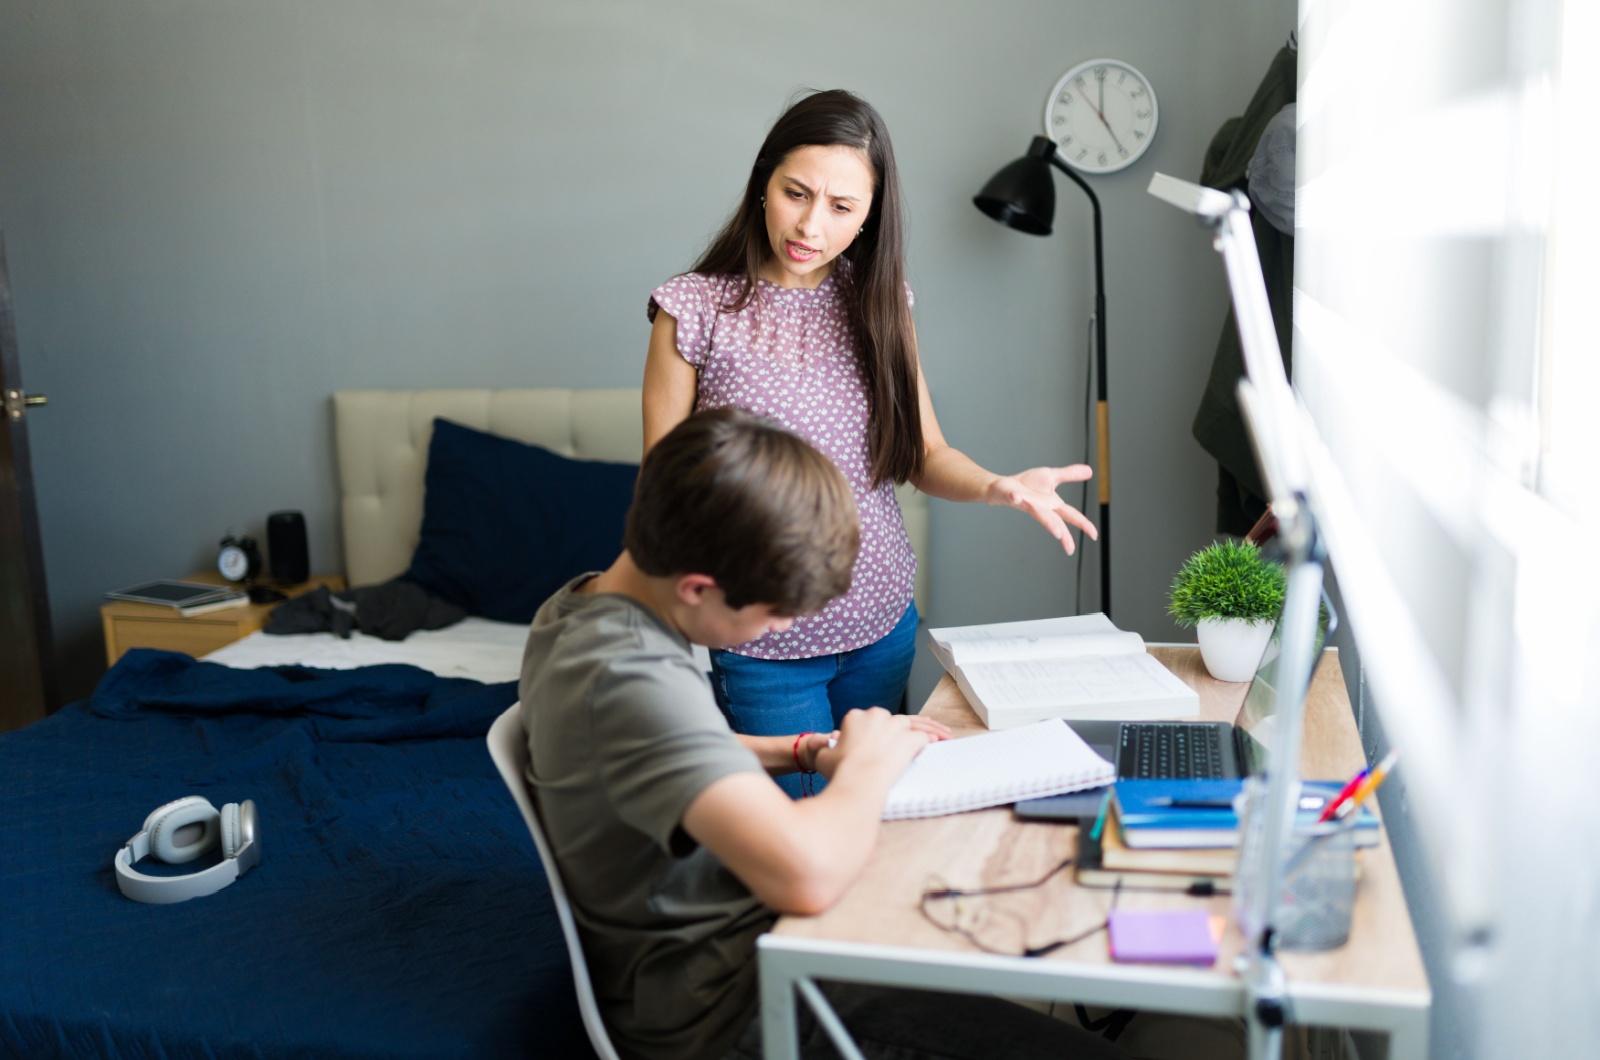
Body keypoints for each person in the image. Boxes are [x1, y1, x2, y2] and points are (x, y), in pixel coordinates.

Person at [519, 409, 1122, 1060]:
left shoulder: (581, 607)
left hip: (757, 947)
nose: (778, 631)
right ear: (699, 588)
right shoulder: (630, 681)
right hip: (729, 1007)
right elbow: (805, 876)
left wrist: (806, 749)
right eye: (773, 615)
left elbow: (661, 750)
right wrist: (866, 763)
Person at [643, 89, 1099, 789]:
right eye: (796, 192)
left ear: (868, 217)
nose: (810, 224)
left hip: (880, 623)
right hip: (762, 638)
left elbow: (922, 454)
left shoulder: (879, 303)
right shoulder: (694, 309)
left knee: (879, 813)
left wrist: (998, 486)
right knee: (800, 835)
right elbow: (662, 489)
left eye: (841, 207)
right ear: (763, 181)